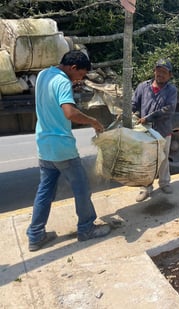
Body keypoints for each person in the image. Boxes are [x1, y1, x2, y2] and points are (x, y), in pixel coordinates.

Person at [26, 51, 111, 252]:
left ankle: (36, 236)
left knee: (45, 190)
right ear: (73, 68)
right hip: (62, 147)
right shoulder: (63, 82)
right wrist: (94, 122)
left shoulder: (44, 75)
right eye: (81, 74)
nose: (80, 79)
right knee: (81, 188)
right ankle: (86, 228)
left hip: (44, 145)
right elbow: (70, 112)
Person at [131, 59, 177, 202]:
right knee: (146, 160)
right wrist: (129, 114)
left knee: (163, 159)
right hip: (145, 131)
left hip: (163, 130)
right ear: (154, 71)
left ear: (170, 75)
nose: (160, 74)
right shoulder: (143, 87)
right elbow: (134, 104)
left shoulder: (171, 90)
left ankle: (164, 183)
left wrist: (148, 118)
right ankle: (145, 188)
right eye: (158, 71)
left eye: (164, 72)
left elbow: (168, 109)